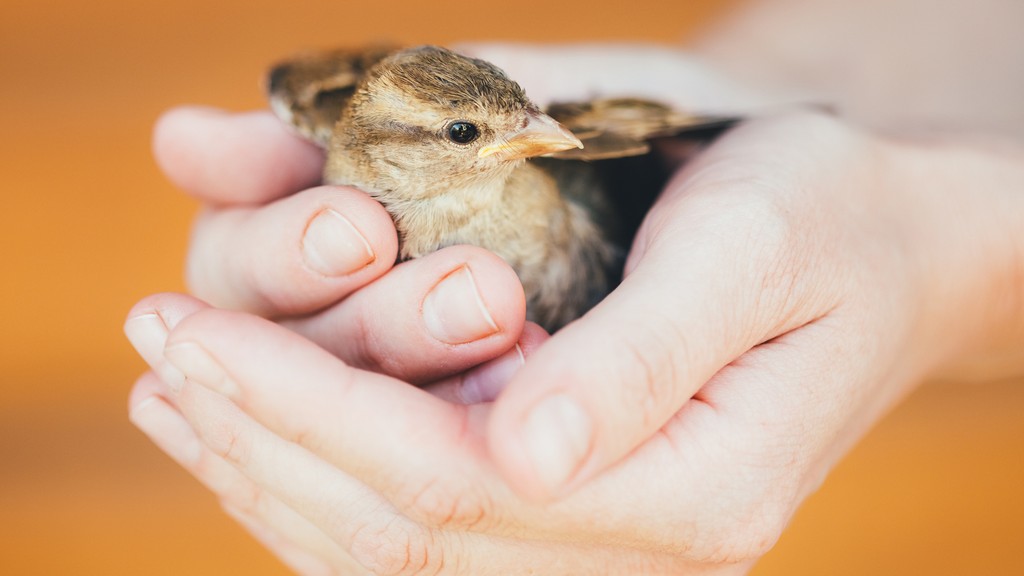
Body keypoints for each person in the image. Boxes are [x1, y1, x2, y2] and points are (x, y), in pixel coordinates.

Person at [124, 1, 1024, 573]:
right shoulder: (334, 164)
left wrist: (911, 222)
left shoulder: (564, 172)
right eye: (471, 134)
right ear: (388, 144)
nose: (540, 138)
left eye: (526, 120)